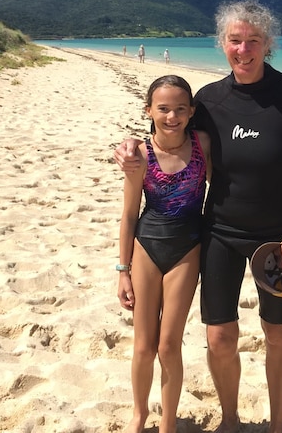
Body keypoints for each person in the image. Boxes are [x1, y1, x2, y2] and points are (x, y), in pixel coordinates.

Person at [115, 0, 282, 433]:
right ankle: (230, 419)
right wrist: (130, 145)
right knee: (220, 337)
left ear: (268, 45)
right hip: (220, 235)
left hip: (279, 240)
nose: (243, 49)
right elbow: (170, 138)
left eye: (253, 41)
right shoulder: (208, 100)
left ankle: (278, 424)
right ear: (222, 44)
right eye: (235, 40)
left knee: (279, 333)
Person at [116, 75, 211, 433]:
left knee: (169, 345)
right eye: (163, 109)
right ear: (149, 110)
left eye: (180, 109)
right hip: (146, 247)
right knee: (143, 345)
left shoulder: (202, 144)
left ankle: (168, 424)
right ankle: (139, 416)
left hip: (187, 248)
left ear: (191, 112)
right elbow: (128, 214)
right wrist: (123, 270)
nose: (172, 116)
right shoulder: (139, 154)